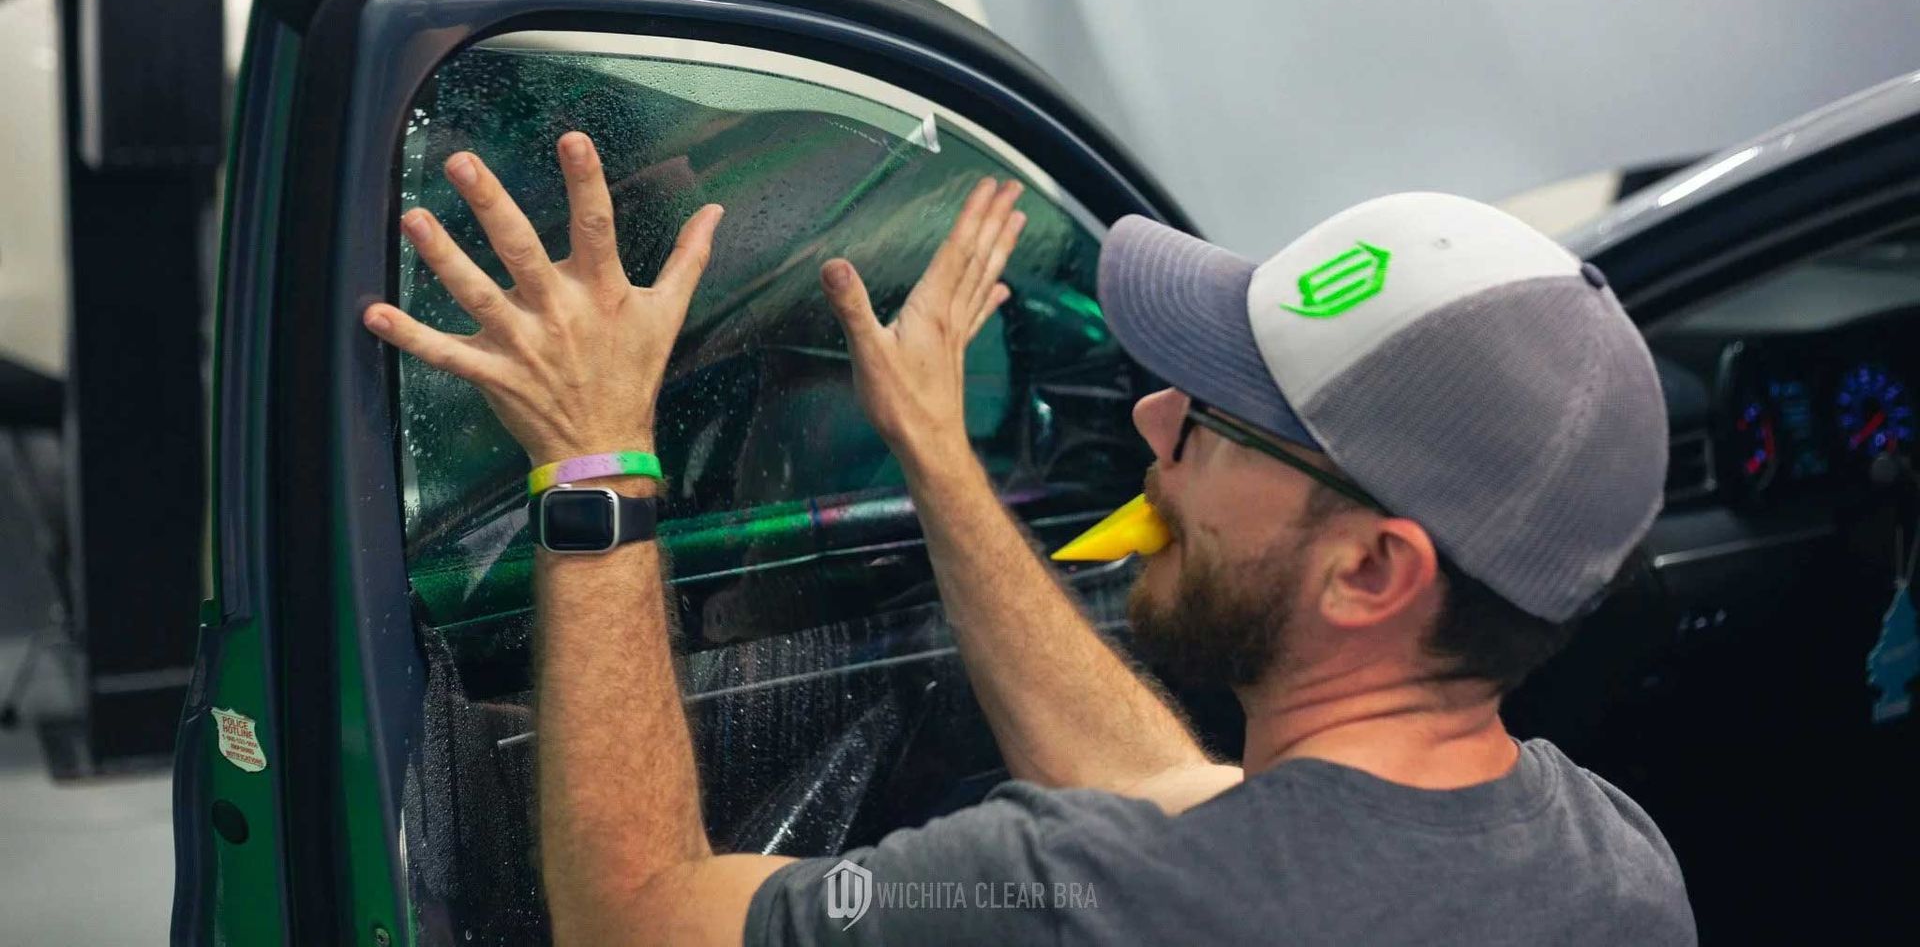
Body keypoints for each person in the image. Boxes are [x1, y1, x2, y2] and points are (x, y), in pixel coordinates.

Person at [363, 131, 1695, 946]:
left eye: (1225, 425)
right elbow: (1179, 806)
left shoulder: (1070, 904)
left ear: (1372, 570)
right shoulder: (1614, 867)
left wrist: (598, 459)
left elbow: (638, 923)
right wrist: (941, 460)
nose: (1158, 419)